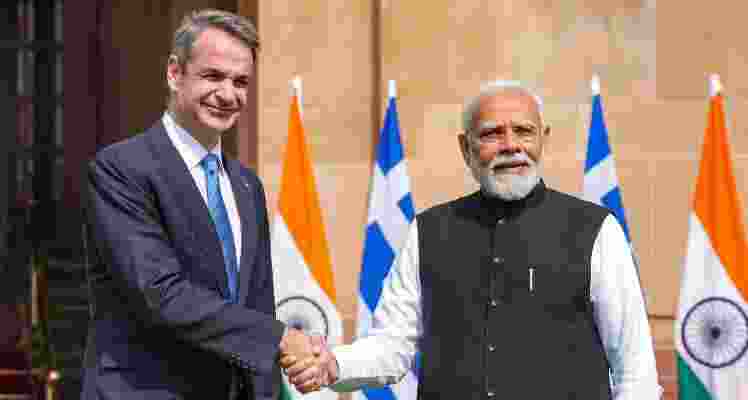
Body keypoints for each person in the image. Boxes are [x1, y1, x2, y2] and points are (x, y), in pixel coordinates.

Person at [283, 81, 663, 399]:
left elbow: (636, 370)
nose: (510, 145)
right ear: (466, 148)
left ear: (543, 139)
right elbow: (391, 345)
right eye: (492, 134)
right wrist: (334, 363)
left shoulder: (596, 229)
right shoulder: (428, 232)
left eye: (524, 131)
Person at [82, 9, 315, 400]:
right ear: (175, 73)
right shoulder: (121, 169)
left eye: (241, 81)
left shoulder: (246, 186)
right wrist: (281, 339)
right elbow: (159, 293)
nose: (228, 94)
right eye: (213, 76)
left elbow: (257, 305)